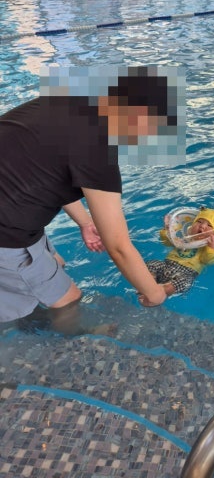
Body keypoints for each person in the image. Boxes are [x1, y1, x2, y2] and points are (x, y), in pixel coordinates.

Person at [0, 65, 183, 334]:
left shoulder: (67, 101)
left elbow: (43, 170)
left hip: (11, 209)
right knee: (69, 299)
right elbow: (118, 246)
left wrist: (85, 222)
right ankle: (73, 341)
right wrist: (154, 294)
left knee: (57, 262)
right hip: (7, 233)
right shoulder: (97, 150)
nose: (145, 138)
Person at [141, 207, 214, 303]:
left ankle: (160, 293)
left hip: (187, 272)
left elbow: (208, 261)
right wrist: (167, 230)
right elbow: (167, 242)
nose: (202, 226)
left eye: (209, 225)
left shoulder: (208, 247)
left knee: (185, 282)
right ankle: (148, 285)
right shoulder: (184, 237)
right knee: (152, 264)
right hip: (167, 264)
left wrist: (213, 248)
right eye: (199, 222)